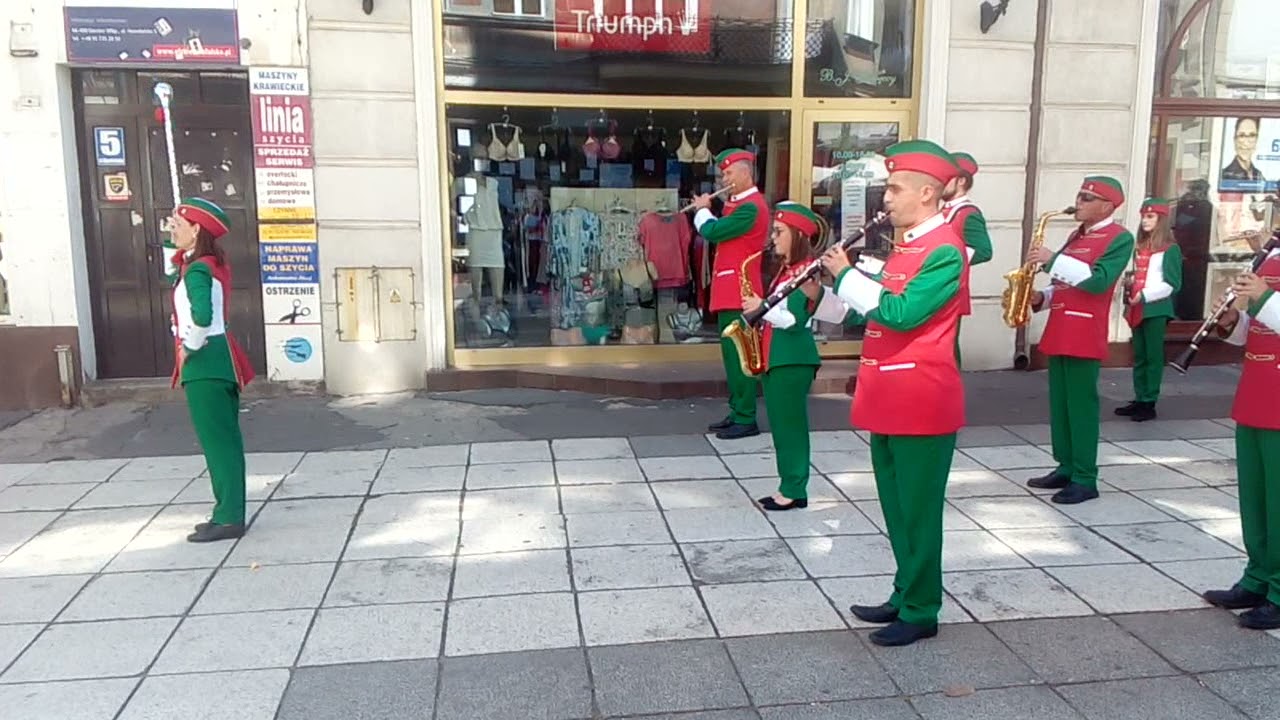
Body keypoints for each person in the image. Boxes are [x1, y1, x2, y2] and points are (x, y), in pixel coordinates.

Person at [816, 139, 969, 647]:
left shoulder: (946, 249)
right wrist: (839, 282)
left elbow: (901, 313)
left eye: (896, 188)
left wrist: (846, 275)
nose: (886, 198)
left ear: (927, 193)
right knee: (897, 507)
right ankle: (905, 591)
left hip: (920, 399)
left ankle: (922, 609)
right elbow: (877, 300)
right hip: (889, 392)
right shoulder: (907, 246)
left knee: (919, 512)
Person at [1025, 177, 1134, 505]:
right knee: (1061, 405)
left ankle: (1086, 477)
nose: (1079, 201)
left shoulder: (1119, 238)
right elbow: (1064, 284)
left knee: (1081, 406)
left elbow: (1098, 282)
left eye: (1088, 197)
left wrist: (1051, 259)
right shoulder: (1077, 235)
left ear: (1107, 206)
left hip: (1085, 330)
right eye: (1080, 195)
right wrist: (1040, 298)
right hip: (1060, 327)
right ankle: (1066, 465)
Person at [1201, 240, 1280, 631]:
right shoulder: (1272, 258)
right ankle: (1258, 578)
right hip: (1257, 390)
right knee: (1255, 499)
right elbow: (1258, 330)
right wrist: (1232, 320)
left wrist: (1263, 295)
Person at [168, 197, 256, 543]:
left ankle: (230, 516)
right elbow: (171, 262)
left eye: (178, 225)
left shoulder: (199, 270)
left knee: (218, 444)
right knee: (224, 442)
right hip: (221, 358)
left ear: (196, 230)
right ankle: (226, 511)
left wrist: (189, 348)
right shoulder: (205, 264)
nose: (172, 229)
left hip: (206, 361)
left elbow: (201, 316)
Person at [741, 201, 825, 511]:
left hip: (791, 359)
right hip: (778, 357)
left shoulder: (807, 272)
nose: (773, 237)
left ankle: (793, 489)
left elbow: (795, 320)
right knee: (782, 426)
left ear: (798, 234)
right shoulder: (788, 271)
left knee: (790, 427)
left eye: (779, 231)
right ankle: (789, 485)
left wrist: (759, 307)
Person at [692, 148, 770, 440]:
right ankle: (738, 411)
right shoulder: (740, 204)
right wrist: (722, 201)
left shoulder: (752, 207)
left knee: (741, 358)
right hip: (731, 290)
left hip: (742, 292)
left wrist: (702, 209)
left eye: (728, 173)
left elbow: (713, 231)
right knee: (731, 357)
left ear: (745, 173)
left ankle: (746, 417)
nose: (723, 178)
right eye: (722, 174)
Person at [1117, 197, 1183, 422]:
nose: (1145, 221)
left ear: (1161, 219)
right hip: (1138, 306)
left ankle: (1149, 401)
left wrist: (1144, 295)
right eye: (1143, 216)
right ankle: (1139, 397)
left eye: (1150, 216)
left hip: (1156, 307)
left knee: (1153, 356)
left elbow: (1173, 283)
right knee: (1140, 355)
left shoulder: (1170, 249)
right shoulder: (1141, 247)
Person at [942, 151, 993, 366]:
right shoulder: (943, 210)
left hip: (952, 290)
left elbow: (983, 251)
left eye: (945, 177)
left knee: (947, 352)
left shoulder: (968, 213)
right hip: (940, 288)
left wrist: (946, 259)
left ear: (961, 181)